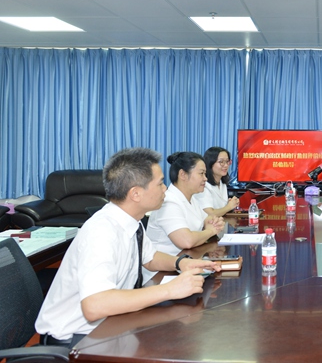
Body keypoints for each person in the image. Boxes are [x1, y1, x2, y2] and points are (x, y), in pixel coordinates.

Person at [35, 147, 221, 348]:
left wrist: (181, 263)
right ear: (136, 194)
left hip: (110, 323)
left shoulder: (131, 221)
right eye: (160, 183)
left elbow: (150, 257)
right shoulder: (102, 231)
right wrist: (169, 290)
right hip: (77, 338)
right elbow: (95, 305)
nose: (165, 189)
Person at [147, 152, 225, 256]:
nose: (205, 178)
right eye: (201, 173)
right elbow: (187, 241)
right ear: (182, 175)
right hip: (166, 264)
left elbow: (206, 219)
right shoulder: (168, 202)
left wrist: (215, 222)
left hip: (188, 259)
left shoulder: (191, 199)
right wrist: (211, 231)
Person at [197, 146, 240, 218]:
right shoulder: (203, 185)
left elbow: (221, 209)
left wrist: (229, 204)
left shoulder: (222, 183)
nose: (225, 165)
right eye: (221, 162)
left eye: (227, 161)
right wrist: (228, 207)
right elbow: (210, 213)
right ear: (210, 163)